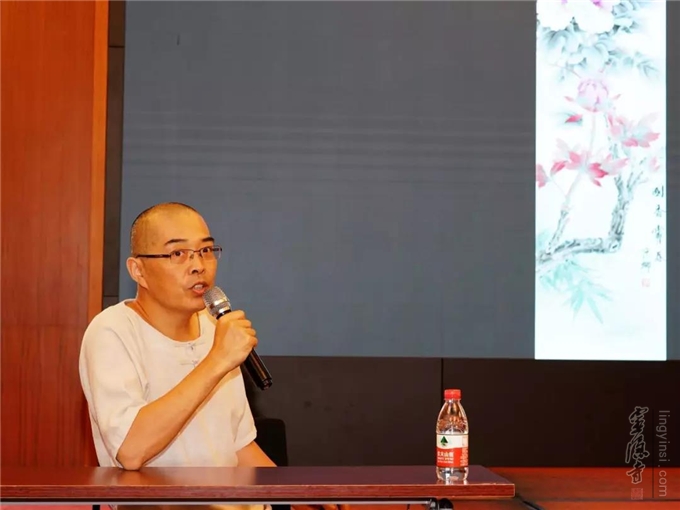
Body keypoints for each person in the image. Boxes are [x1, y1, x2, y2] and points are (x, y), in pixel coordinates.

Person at [79, 202, 341, 510]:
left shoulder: (214, 326)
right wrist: (217, 360)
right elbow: (130, 451)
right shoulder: (112, 331)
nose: (198, 266)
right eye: (178, 253)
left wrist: (298, 496)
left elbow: (238, 447)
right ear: (138, 270)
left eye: (205, 251)